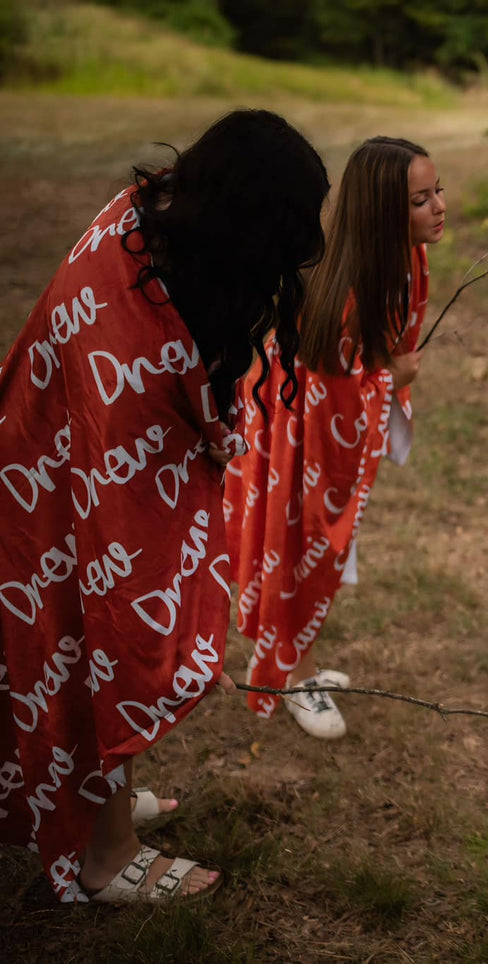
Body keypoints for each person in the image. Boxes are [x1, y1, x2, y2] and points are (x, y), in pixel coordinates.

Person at [0, 109, 329, 902]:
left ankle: (94, 797)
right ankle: (107, 855)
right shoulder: (127, 334)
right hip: (52, 485)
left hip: (54, 456)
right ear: (248, 221)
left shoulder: (150, 219)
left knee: (99, 635)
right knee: (101, 635)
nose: (308, 245)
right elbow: (124, 559)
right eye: (295, 224)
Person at [224, 136, 445, 739]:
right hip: (299, 440)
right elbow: (335, 388)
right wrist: (391, 376)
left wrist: (385, 370)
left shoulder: (401, 260)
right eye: (421, 199)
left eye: (437, 192)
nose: (439, 207)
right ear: (382, 214)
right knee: (306, 546)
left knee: (329, 554)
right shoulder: (346, 292)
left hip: (323, 433)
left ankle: (301, 660)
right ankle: (292, 674)